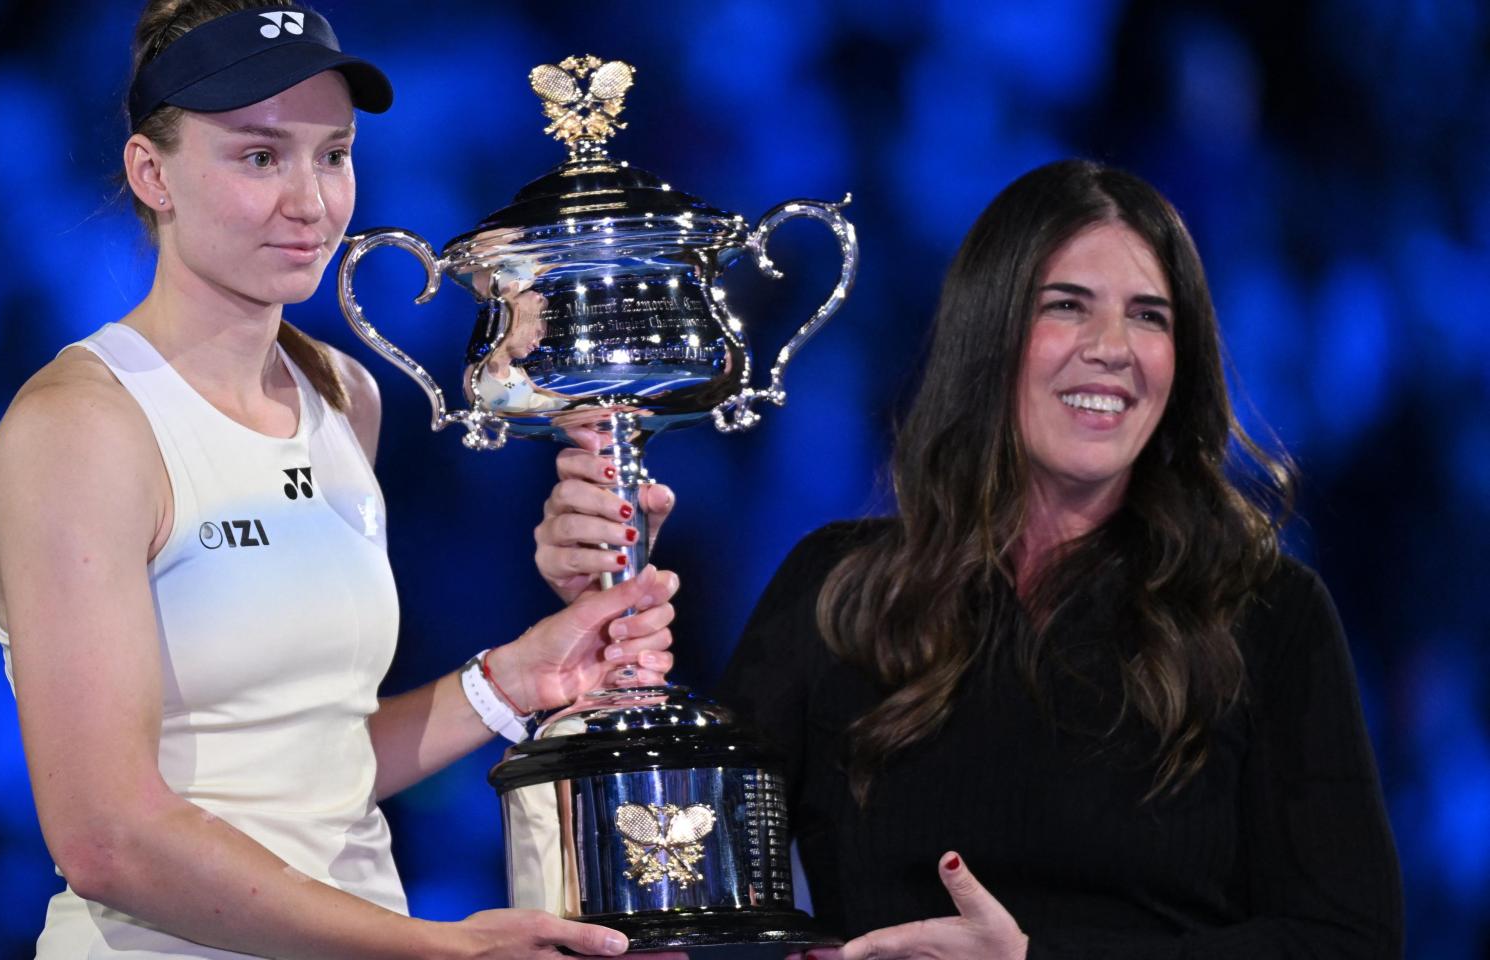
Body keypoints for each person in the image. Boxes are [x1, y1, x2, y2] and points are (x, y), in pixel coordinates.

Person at [543, 159, 1403, 957]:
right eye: (1064, 304)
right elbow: (687, 887)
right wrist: (603, 641)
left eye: (1149, 315)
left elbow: (1346, 938)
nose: (1112, 346)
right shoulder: (838, 593)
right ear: (988, 335)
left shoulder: (1264, 613)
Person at [0, 2, 680, 957]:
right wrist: (439, 946)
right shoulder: (82, 427)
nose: (310, 201)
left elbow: (312, 766)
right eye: (260, 157)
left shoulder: (342, 394)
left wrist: (518, 678)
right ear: (153, 172)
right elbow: (108, 839)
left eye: (333, 154)